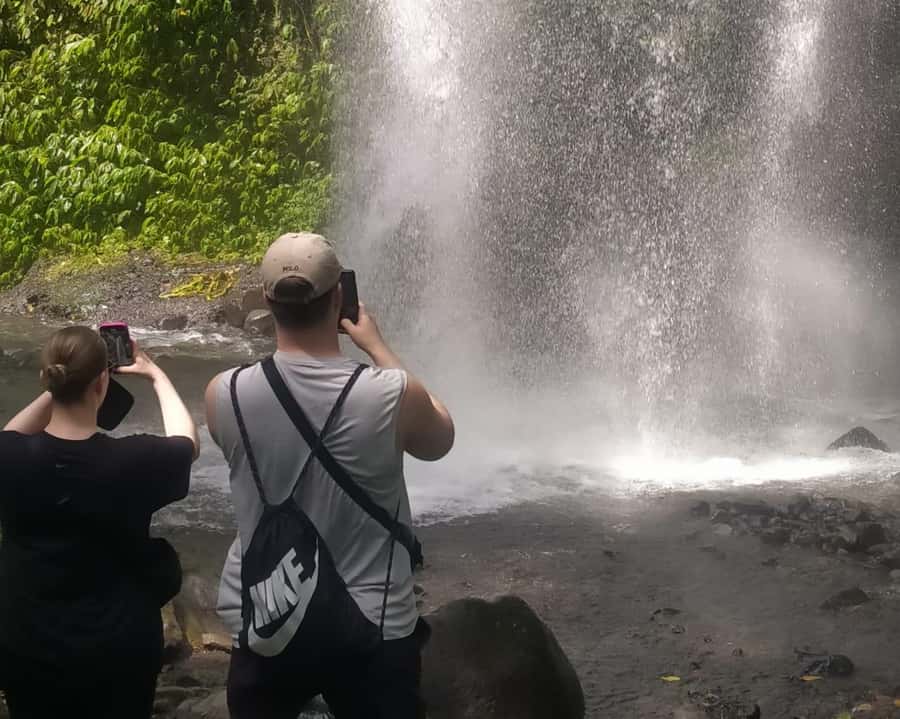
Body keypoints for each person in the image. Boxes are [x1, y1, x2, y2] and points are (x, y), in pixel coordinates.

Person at [206, 232, 454, 719]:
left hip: (267, 614)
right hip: (373, 623)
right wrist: (378, 347)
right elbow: (439, 439)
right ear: (339, 296)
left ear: (266, 301)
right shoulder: (390, 393)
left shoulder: (225, 393)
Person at [0, 326, 198, 718]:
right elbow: (187, 443)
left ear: (47, 379)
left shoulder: (10, 456)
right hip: (118, 649)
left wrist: (60, 382)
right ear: (102, 383)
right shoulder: (133, 461)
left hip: (26, 643)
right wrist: (155, 374)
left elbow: (12, 432)